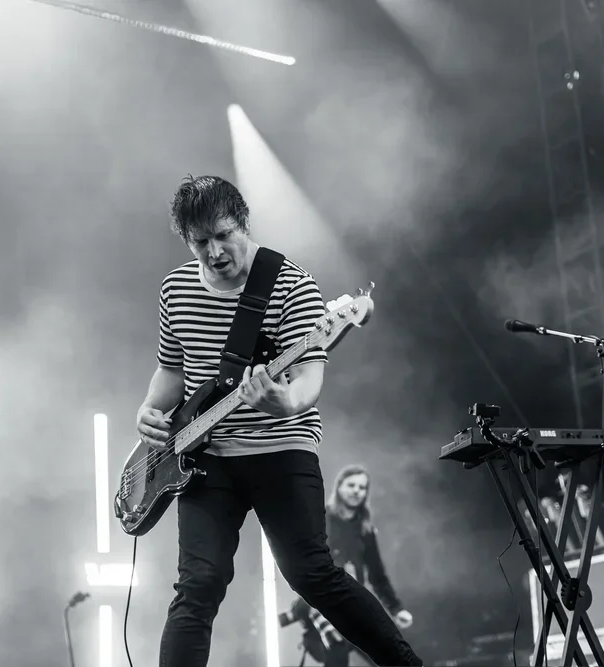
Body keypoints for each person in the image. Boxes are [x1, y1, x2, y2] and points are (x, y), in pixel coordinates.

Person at [136, 175, 423, 667]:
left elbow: (310, 375)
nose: (215, 252)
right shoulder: (176, 289)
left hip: (281, 447)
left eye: (224, 235)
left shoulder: (291, 284)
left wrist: (286, 403)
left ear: (243, 223)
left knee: (312, 575)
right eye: (200, 242)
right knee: (197, 585)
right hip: (203, 458)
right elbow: (171, 369)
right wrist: (149, 410)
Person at [289, 464, 414, 667]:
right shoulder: (321, 519)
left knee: (388, 651)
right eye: (351, 485)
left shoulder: (365, 529)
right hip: (324, 601)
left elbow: (377, 574)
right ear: (339, 487)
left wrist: (396, 608)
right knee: (337, 650)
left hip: (354, 600)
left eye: (362, 487)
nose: (357, 491)